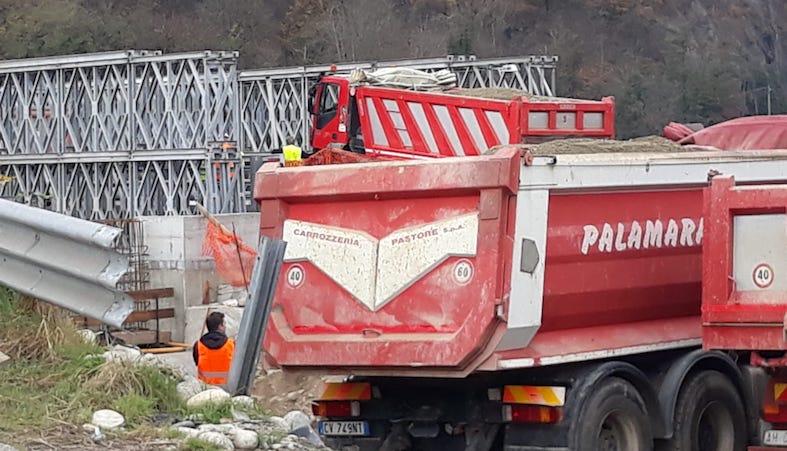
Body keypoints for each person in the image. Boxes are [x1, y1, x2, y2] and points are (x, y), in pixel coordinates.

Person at [192, 311, 235, 386]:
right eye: (224, 324)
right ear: (220, 326)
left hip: (204, 388)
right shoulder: (231, 344)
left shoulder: (198, 345)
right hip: (227, 388)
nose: (225, 326)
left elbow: (197, 362)